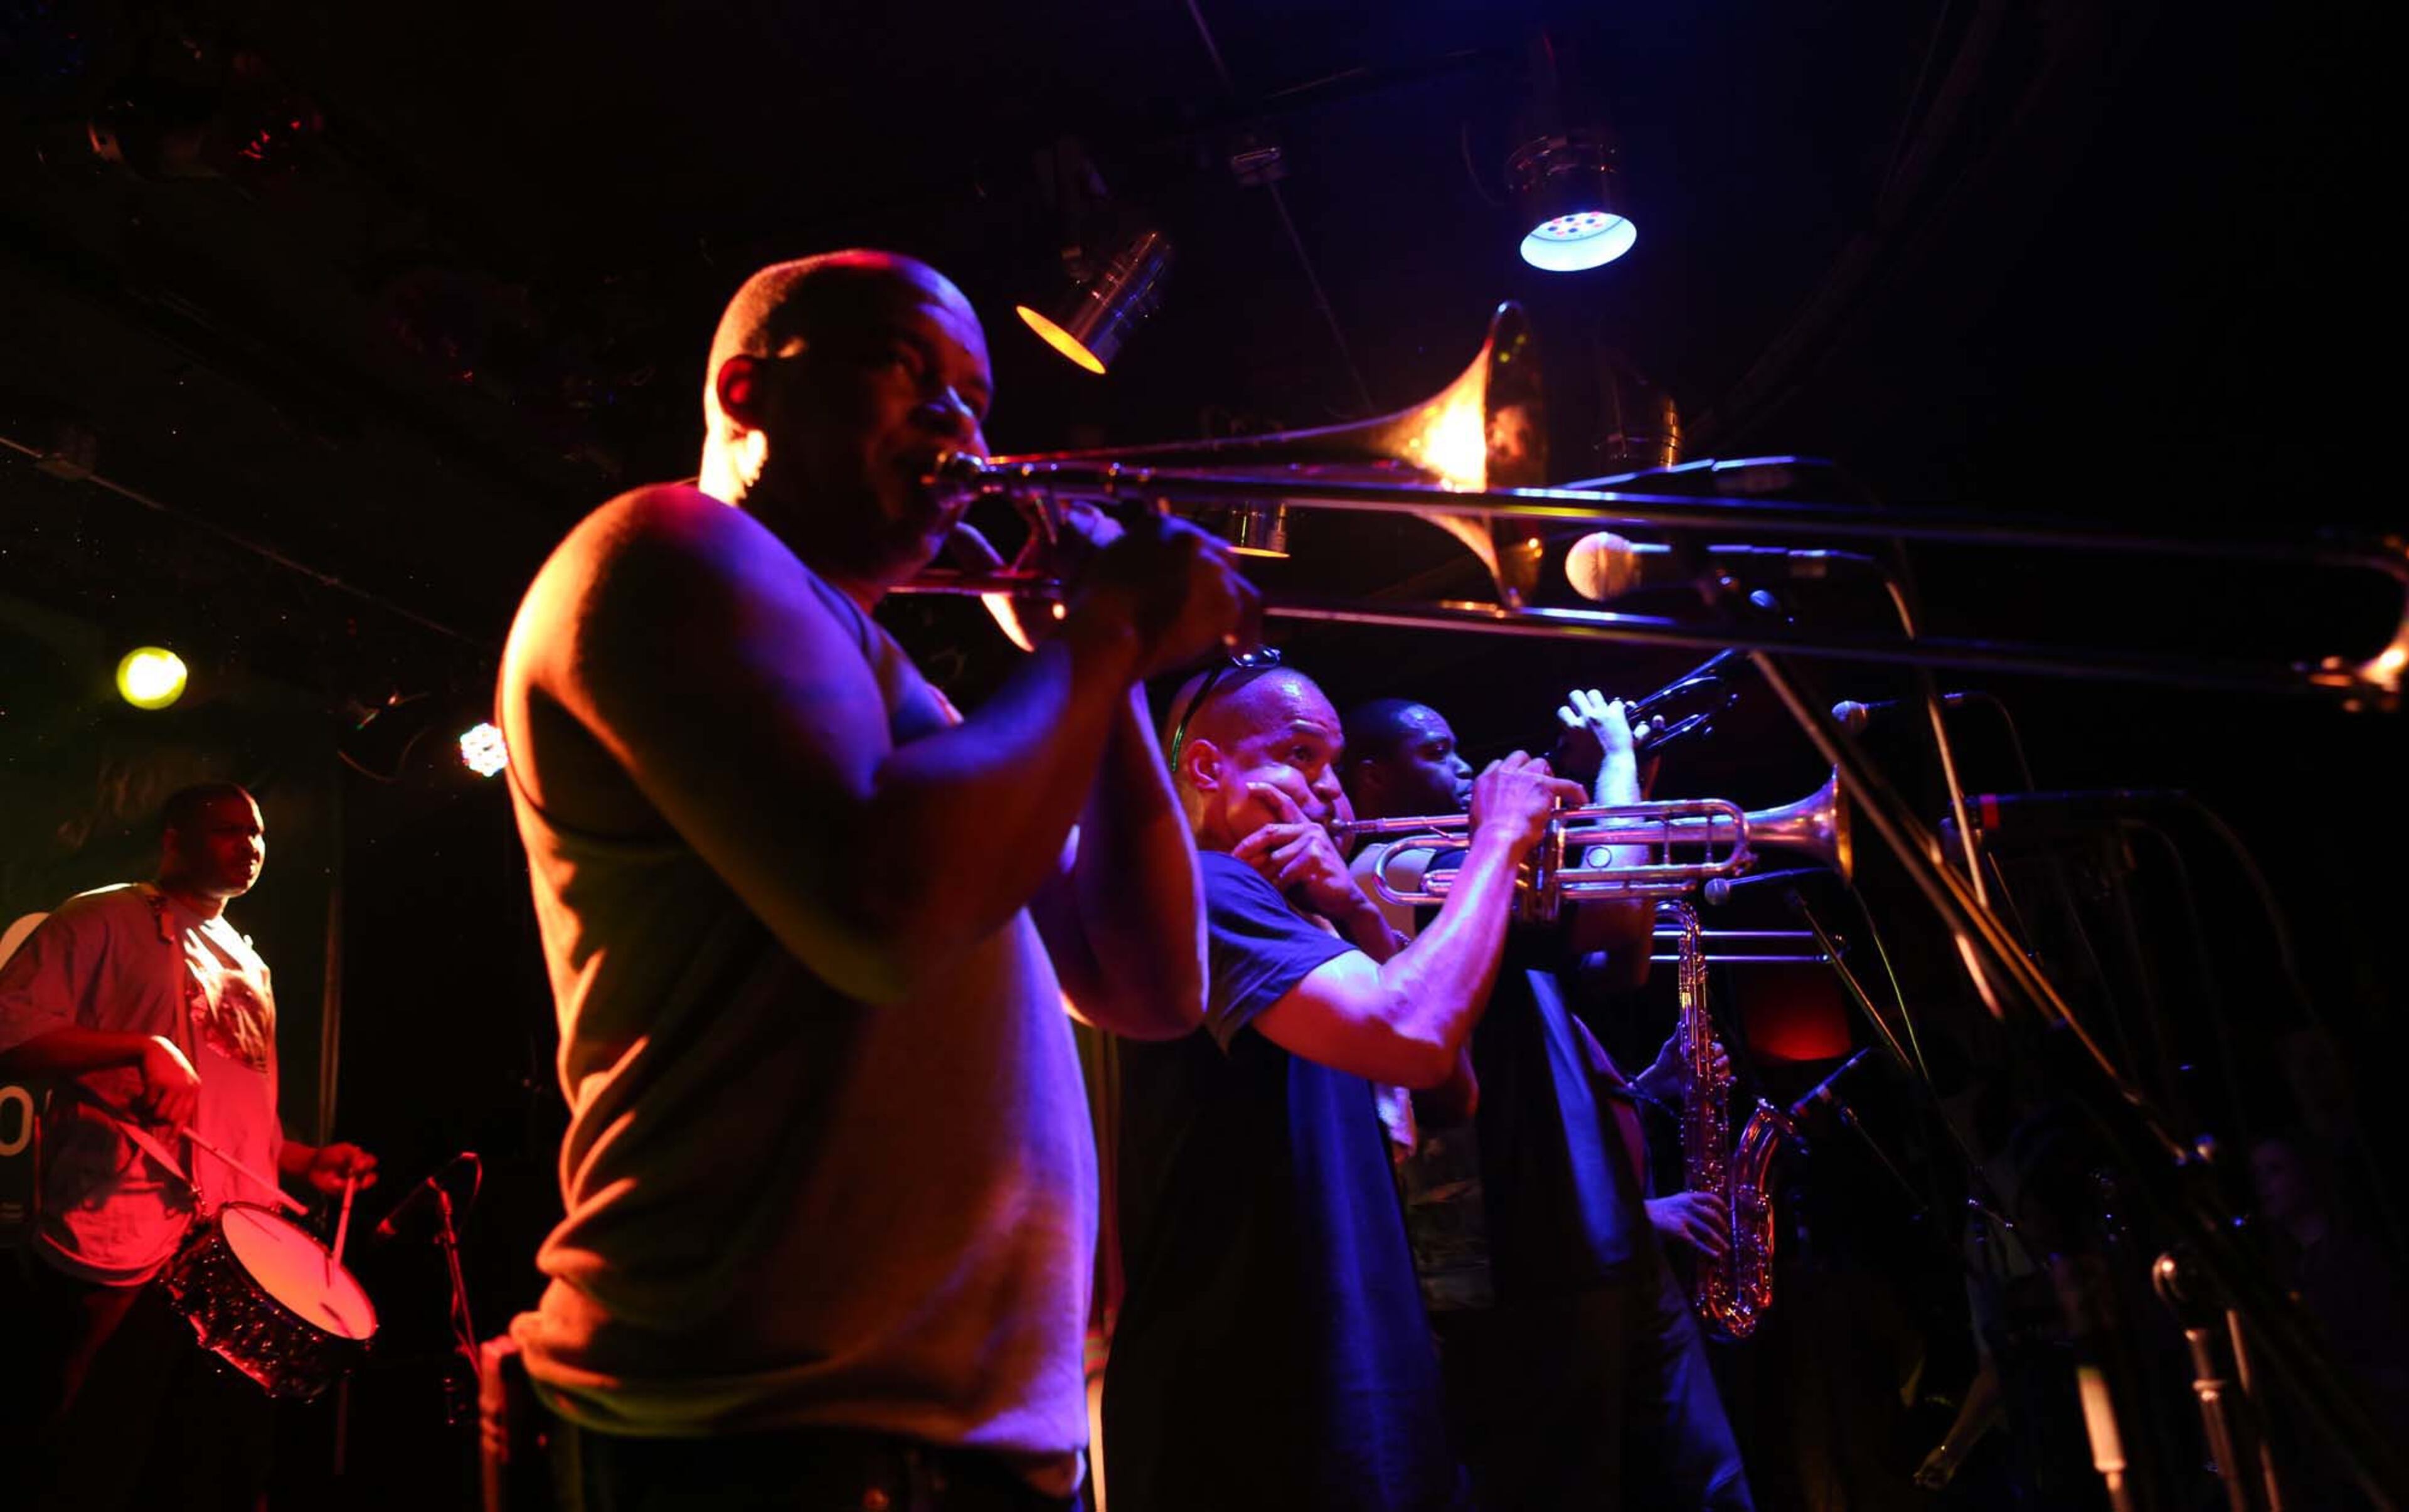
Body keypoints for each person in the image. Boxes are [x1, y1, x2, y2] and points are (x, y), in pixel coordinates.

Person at [495, 250, 1253, 1511]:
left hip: (969, 1439)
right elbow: (882, 917)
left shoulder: (916, 696)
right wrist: (1112, 632)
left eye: (976, 397)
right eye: (917, 375)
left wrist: (1095, 662)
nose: (961, 425)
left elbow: (1150, 978)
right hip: (759, 1430)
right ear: (748, 389)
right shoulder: (666, 545)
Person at [1102, 655, 1583, 1512]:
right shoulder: (1206, 887)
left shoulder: (1293, 911)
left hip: (1351, 1380)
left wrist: (1359, 914)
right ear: (1210, 768)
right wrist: (1498, 841)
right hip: (1255, 1408)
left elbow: (1452, 1096)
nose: (1337, 798)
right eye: (1300, 756)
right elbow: (1417, 1035)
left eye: (1336, 764)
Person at [1340, 690, 1755, 1511]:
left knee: (1713, 1491)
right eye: (1436, 752)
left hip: (1608, 1241)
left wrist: (1602, 800)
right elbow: (1617, 901)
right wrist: (1616, 764)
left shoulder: (1483, 878)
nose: (1463, 767)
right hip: (1526, 1258)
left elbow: (1623, 959)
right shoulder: (1396, 872)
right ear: (1374, 778)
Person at [0, 780, 379, 1512]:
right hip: (122, 1227)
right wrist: (139, 1047)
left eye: (259, 834)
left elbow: (242, 1112)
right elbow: (7, 1030)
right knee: (84, 1445)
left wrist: (302, 1161)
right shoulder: (105, 915)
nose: (252, 847)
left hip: (232, 1249)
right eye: (230, 831)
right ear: (174, 838)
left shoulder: (250, 960)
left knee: (205, 1462)